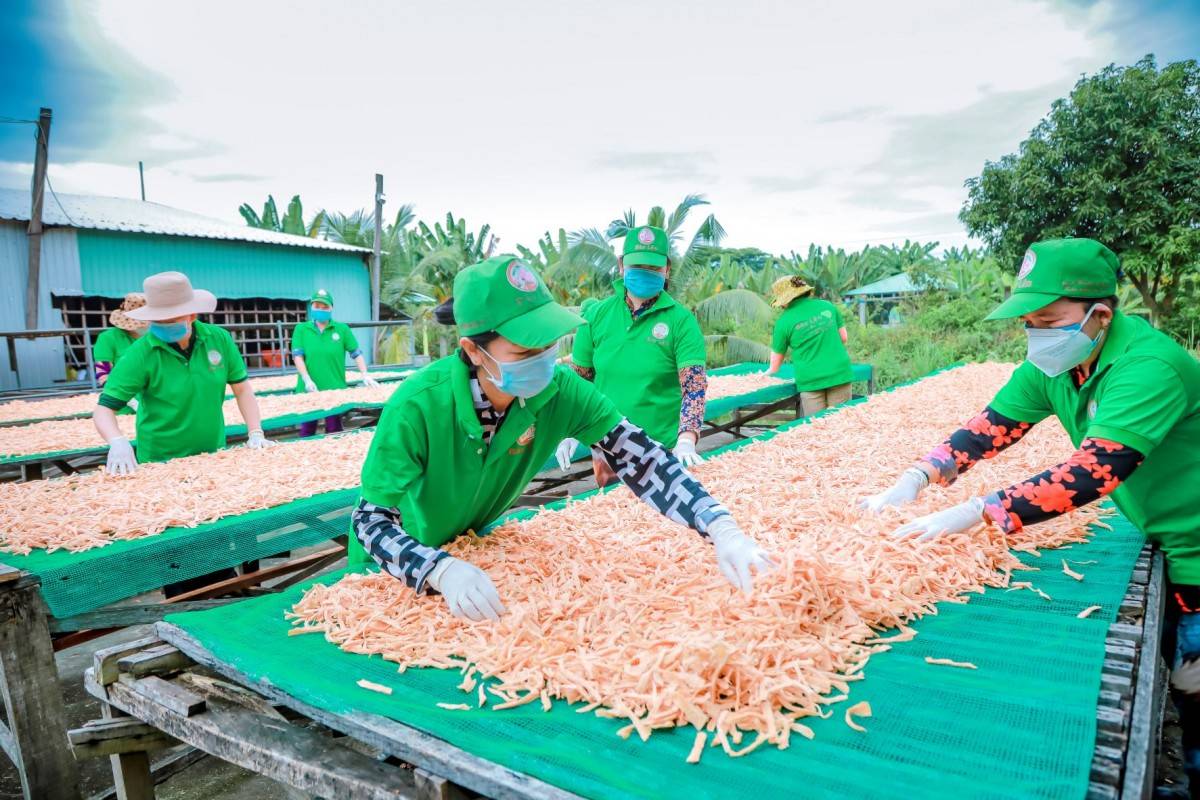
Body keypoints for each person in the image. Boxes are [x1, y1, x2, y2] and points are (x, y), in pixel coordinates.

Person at [859, 238, 1200, 786]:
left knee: (1193, 687)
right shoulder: (1057, 364)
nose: (1037, 335)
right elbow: (992, 426)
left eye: (1049, 320)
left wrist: (979, 510)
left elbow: (1095, 471)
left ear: (1100, 315)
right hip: (1162, 531)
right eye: (1030, 322)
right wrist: (921, 474)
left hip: (1195, 547)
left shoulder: (1148, 366)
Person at [351, 255, 775, 622]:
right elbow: (370, 521)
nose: (543, 361)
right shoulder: (419, 406)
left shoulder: (560, 390)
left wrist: (720, 527)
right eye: (524, 352)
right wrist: (438, 571)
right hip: (393, 572)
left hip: (474, 548)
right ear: (475, 350)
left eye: (550, 345)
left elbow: (643, 461)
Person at [558, 225, 709, 485]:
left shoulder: (681, 321)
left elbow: (693, 388)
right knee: (613, 517)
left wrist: (686, 439)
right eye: (637, 266)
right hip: (607, 450)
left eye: (653, 268)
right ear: (621, 265)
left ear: (667, 270)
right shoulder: (597, 316)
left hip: (662, 449)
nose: (645, 273)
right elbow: (579, 380)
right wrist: (569, 427)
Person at [93, 271, 275, 476]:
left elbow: (242, 389)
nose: (164, 325)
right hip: (161, 461)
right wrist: (117, 441)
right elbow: (103, 410)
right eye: (158, 320)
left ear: (192, 314)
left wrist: (255, 431)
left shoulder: (218, 339)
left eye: (171, 319)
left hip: (215, 454)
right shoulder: (140, 353)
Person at [291, 288, 379, 437]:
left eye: (325, 307)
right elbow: (297, 356)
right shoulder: (301, 329)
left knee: (334, 431)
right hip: (310, 389)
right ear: (311, 307)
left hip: (335, 389)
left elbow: (356, 353)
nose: (321, 310)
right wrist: (306, 379)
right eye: (317, 306)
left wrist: (365, 375)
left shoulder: (342, 329)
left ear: (331, 308)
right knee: (307, 430)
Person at [765, 276, 853, 416]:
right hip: (839, 374)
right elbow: (843, 337)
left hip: (811, 381)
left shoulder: (783, 323)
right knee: (840, 425)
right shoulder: (828, 306)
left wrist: (761, 377)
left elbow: (774, 367)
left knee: (816, 428)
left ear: (784, 300)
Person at [93, 293, 147, 387]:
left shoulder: (156, 336)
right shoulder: (108, 338)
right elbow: (103, 372)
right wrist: (116, 392)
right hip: (124, 390)